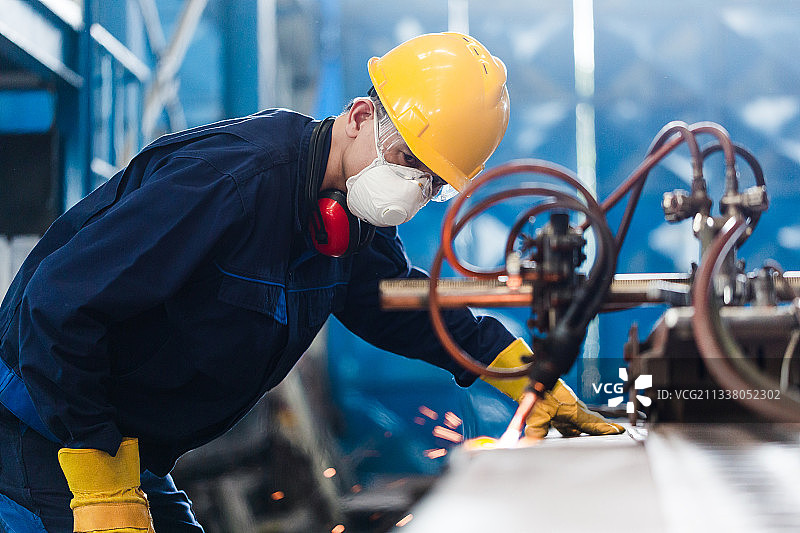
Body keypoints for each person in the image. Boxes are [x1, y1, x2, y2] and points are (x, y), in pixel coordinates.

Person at [0, 32, 622, 532]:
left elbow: (397, 304)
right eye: (408, 160)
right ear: (359, 116)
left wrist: (522, 373)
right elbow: (59, 304)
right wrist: (98, 480)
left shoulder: (348, 219)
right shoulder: (232, 181)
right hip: (46, 430)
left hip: (127, 448)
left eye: (432, 182)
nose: (414, 187)